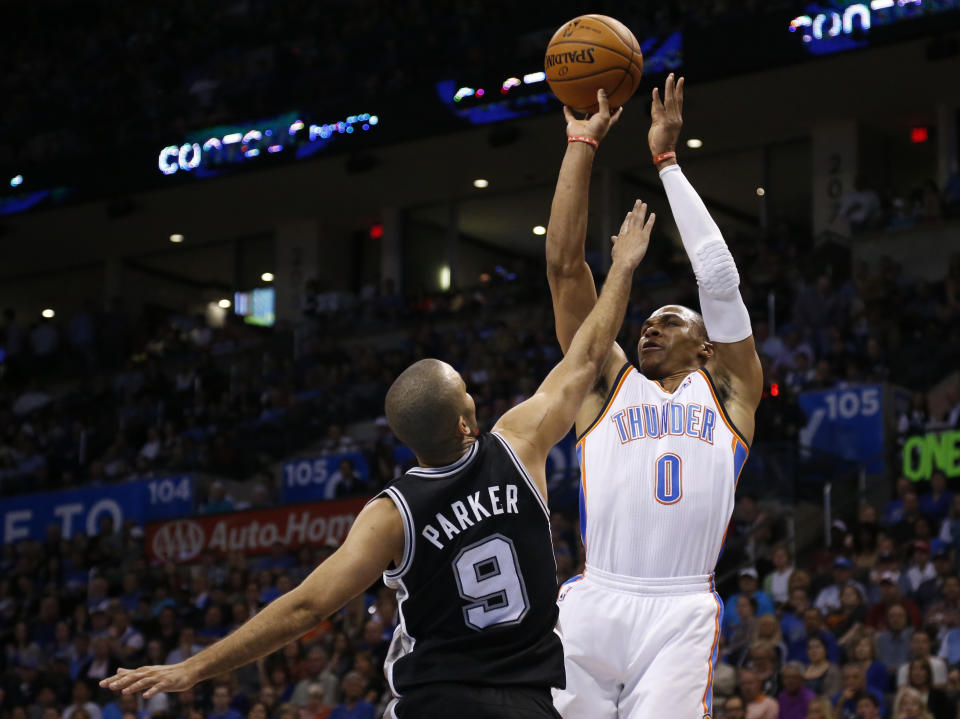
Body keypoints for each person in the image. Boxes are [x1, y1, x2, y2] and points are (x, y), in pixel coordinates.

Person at [99, 191, 657, 718]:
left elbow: (305, 608)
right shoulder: (520, 444)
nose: (475, 393)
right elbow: (587, 354)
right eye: (467, 390)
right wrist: (625, 267)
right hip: (528, 703)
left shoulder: (392, 514)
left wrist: (193, 668)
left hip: (434, 704)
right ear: (464, 421)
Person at [545, 75, 762, 718]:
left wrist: (666, 161)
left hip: (679, 609)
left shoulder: (729, 395)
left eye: (671, 320)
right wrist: (581, 143)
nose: (650, 325)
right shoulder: (609, 386)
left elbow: (719, 279)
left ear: (707, 349)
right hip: (594, 601)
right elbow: (563, 271)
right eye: (648, 319)